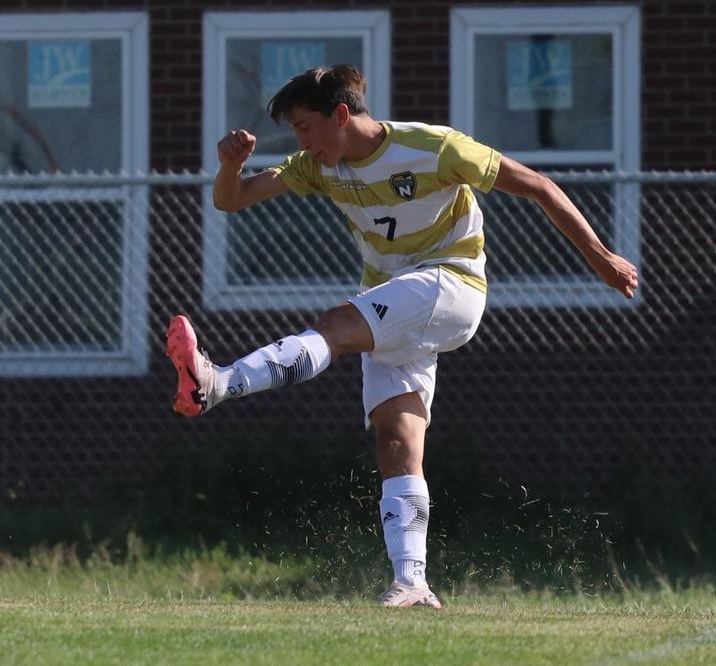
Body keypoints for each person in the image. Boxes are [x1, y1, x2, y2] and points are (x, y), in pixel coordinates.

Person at [167, 64, 639, 609]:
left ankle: (218, 382)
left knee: (336, 327)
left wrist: (601, 259)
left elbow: (536, 185)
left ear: (340, 115)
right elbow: (231, 200)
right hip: (397, 305)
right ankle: (411, 582)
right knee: (396, 444)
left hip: (452, 285)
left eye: (304, 127)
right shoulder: (317, 166)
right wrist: (230, 167)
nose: (301, 142)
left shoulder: (433, 148)